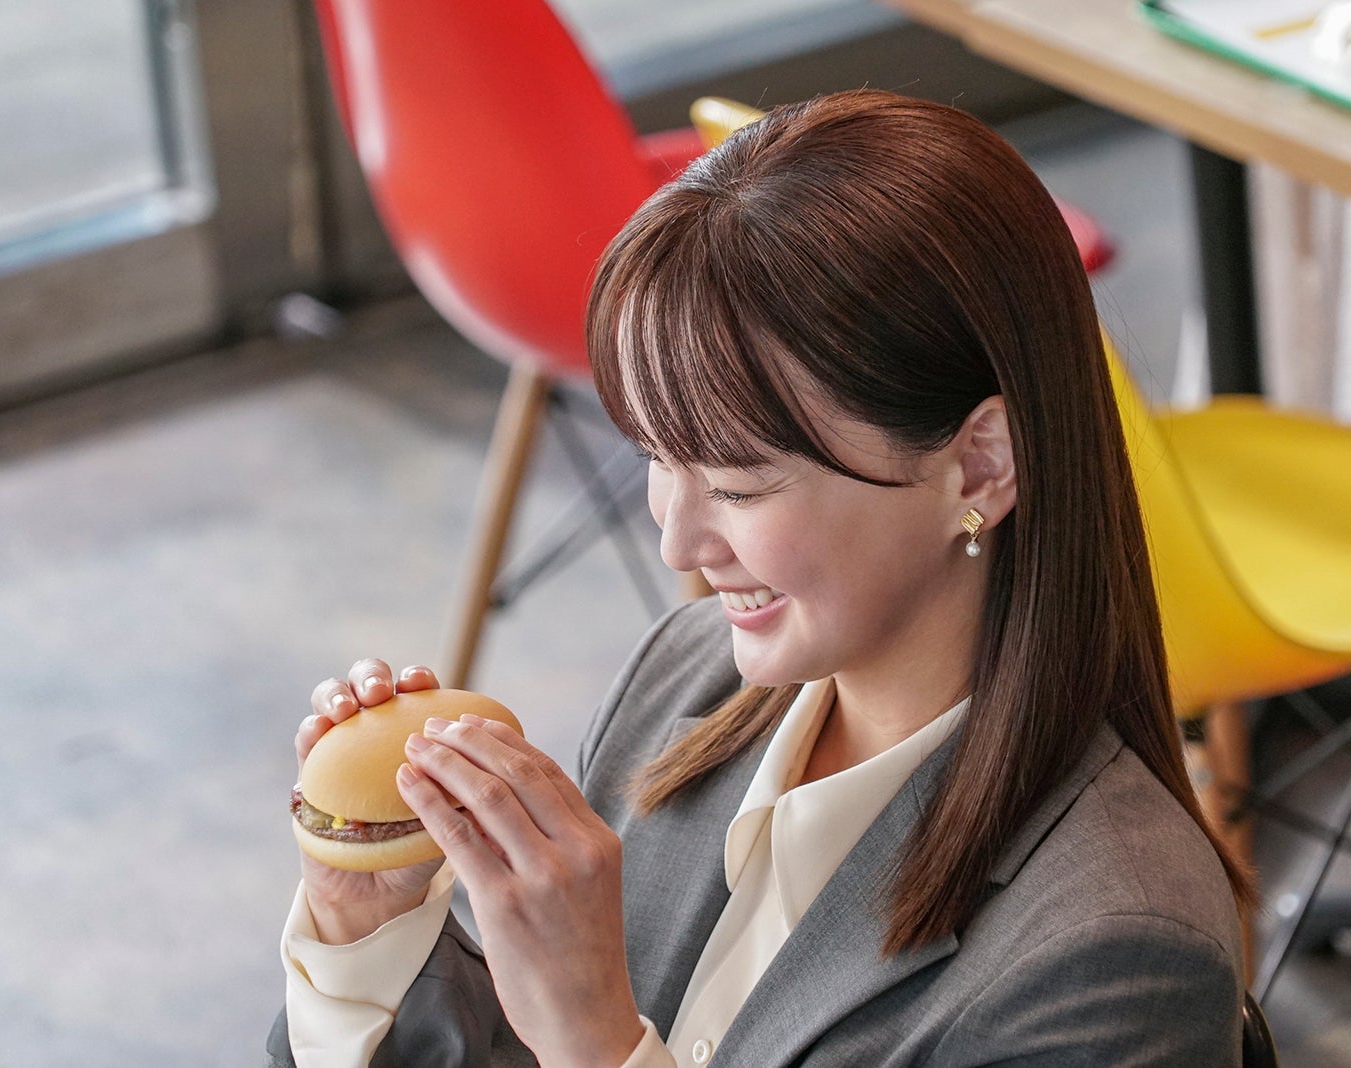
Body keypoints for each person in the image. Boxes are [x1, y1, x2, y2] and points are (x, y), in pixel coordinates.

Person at [269, 89, 1249, 1068]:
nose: (679, 544)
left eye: (738, 485)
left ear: (981, 465)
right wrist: (370, 936)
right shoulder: (683, 683)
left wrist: (595, 1038)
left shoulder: (1114, 949)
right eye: (656, 458)